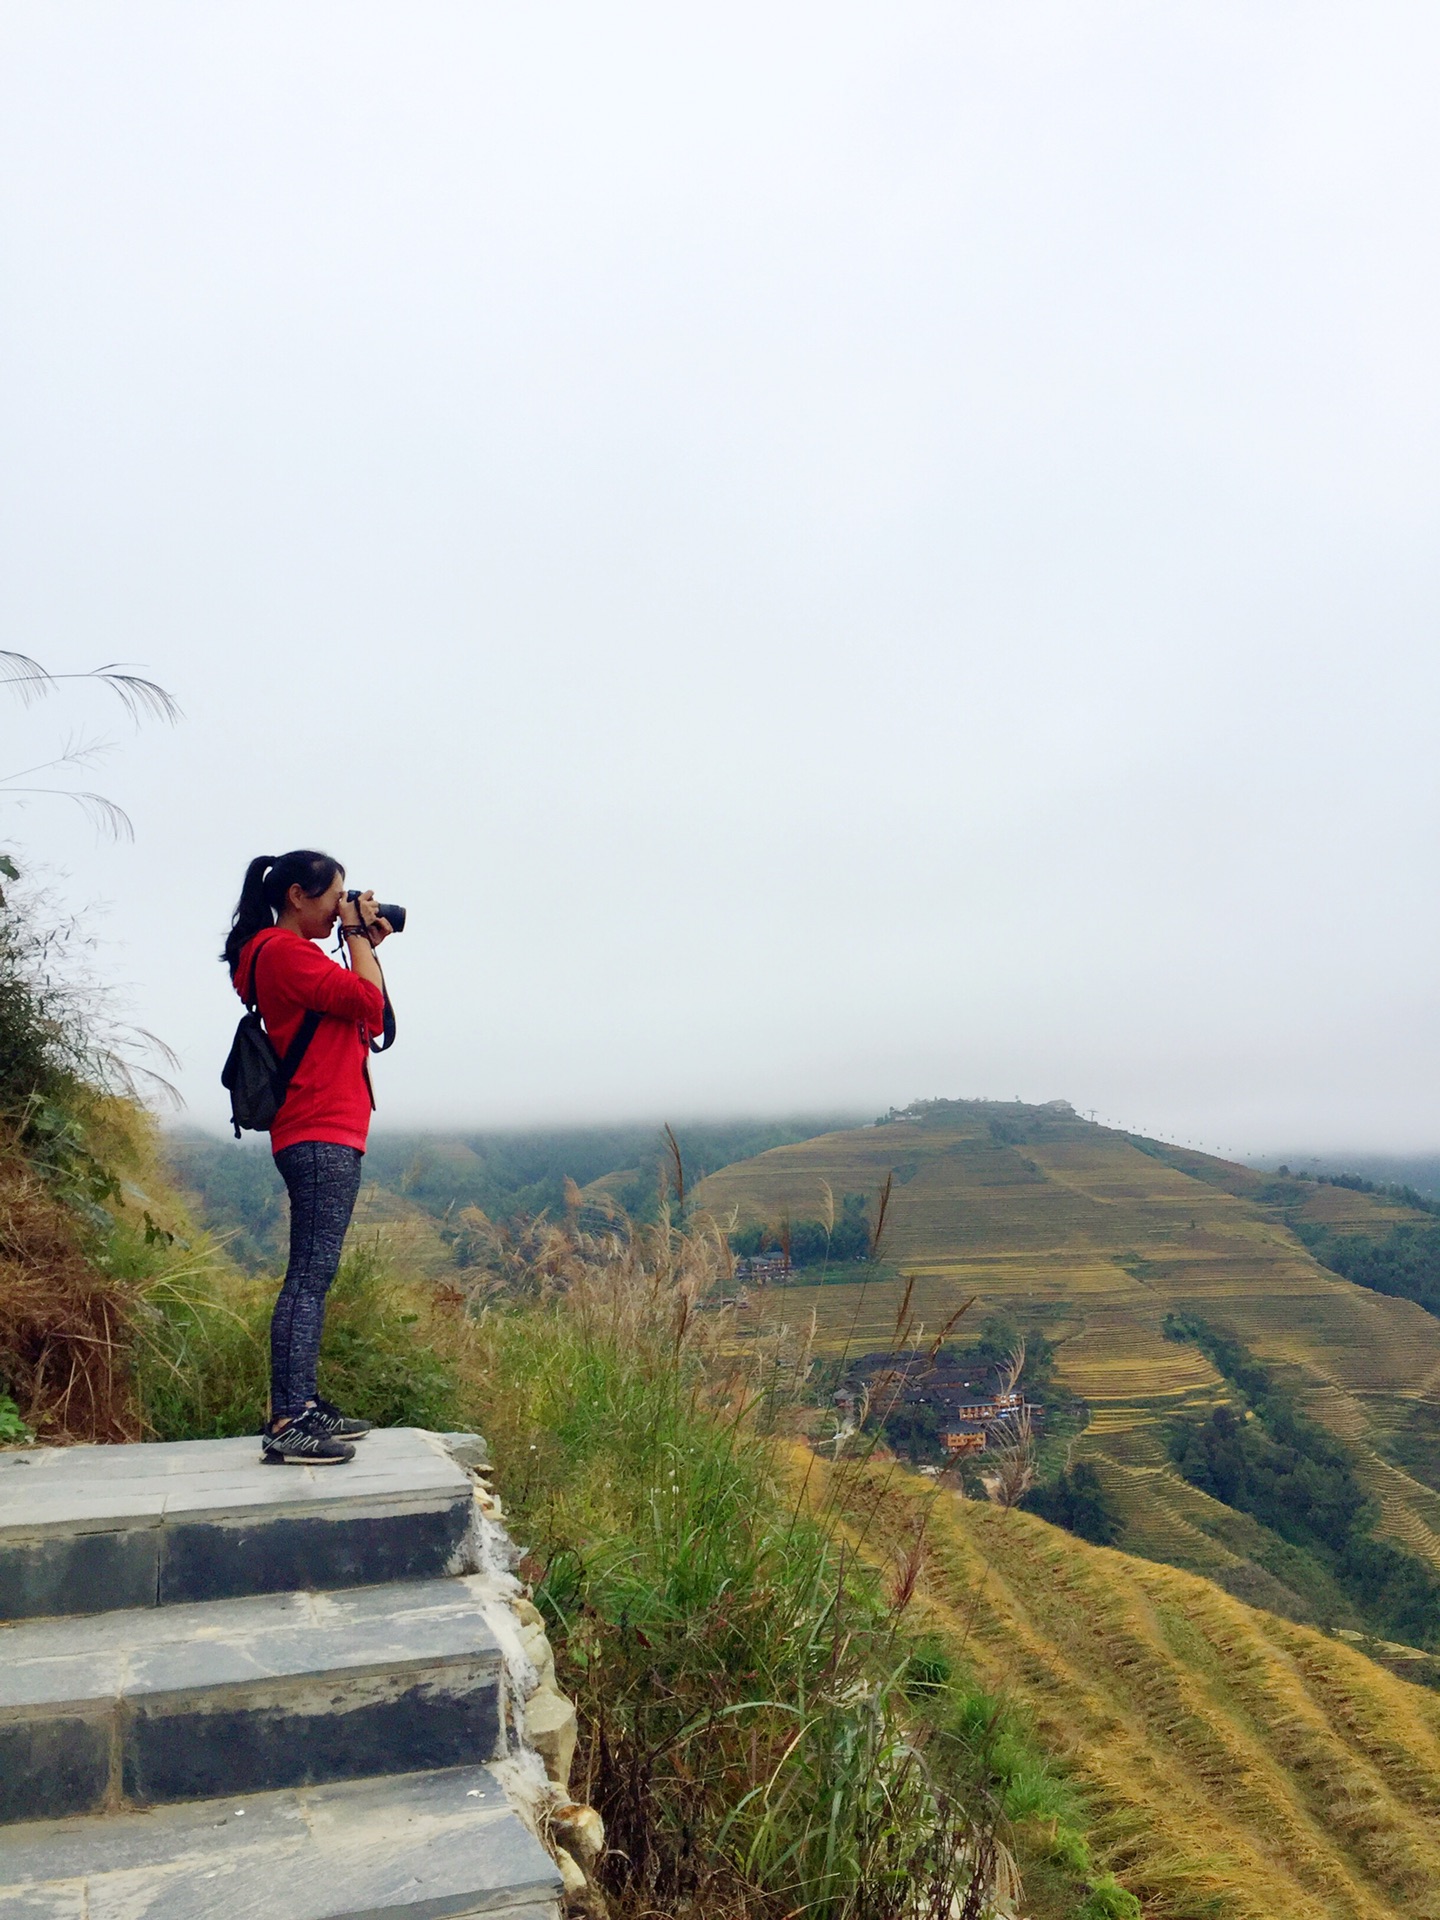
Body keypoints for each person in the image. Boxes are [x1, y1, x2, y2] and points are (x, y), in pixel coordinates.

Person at [222, 850, 394, 1465]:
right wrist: (356, 935)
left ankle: (304, 1404)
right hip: (319, 1128)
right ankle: (288, 1420)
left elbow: (363, 1008)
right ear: (298, 895)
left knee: (314, 1274)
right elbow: (370, 1008)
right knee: (309, 1277)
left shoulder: (285, 954)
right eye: (333, 897)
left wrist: (358, 940)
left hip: (322, 1126)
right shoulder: (286, 953)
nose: (338, 909)